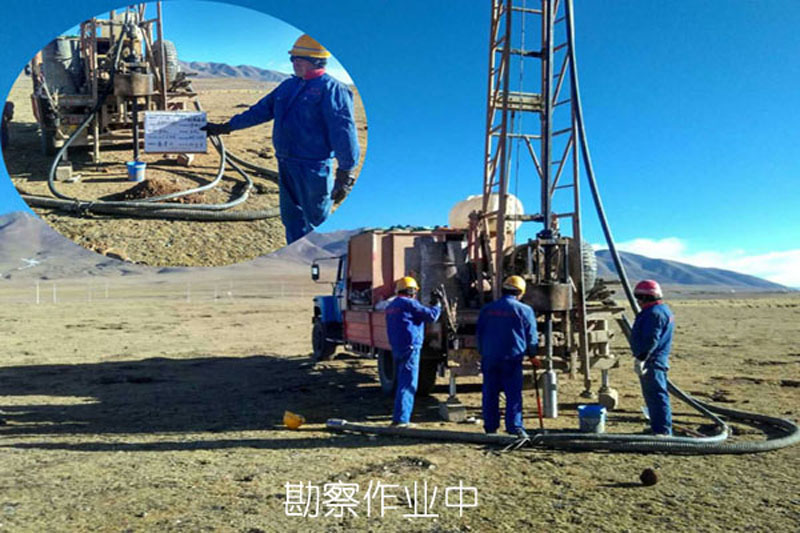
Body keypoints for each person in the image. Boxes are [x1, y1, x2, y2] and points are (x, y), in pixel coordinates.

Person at [202, 34, 360, 244]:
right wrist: (226, 127)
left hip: (314, 167)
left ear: (316, 61)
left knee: (317, 220)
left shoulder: (332, 89)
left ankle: (323, 256)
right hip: (285, 162)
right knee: (292, 219)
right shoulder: (288, 86)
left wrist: (346, 172)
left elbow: (344, 131)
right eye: (292, 58)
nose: (294, 62)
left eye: (299, 59)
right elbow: (259, 111)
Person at [476, 275, 538, 437]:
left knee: (490, 393)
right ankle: (514, 427)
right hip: (512, 358)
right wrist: (533, 355)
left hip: (490, 357)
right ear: (520, 292)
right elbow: (531, 336)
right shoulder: (525, 310)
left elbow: (479, 333)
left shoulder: (487, 309)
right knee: (513, 394)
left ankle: (490, 427)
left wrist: (483, 351)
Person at [384, 276, 441, 427]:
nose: (415, 295)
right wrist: (437, 305)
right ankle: (402, 420)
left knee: (402, 381)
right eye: (415, 292)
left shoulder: (392, 306)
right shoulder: (409, 303)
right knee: (408, 384)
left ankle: (399, 417)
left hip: (398, 348)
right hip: (410, 348)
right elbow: (431, 316)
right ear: (411, 291)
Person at [630, 279, 675, 436]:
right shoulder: (662, 310)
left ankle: (663, 432)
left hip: (652, 361)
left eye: (639, 298)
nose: (638, 302)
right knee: (654, 396)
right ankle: (658, 427)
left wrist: (641, 358)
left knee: (657, 396)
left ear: (646, 297)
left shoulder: (654, 314)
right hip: (655, 359)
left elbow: (651, 339)